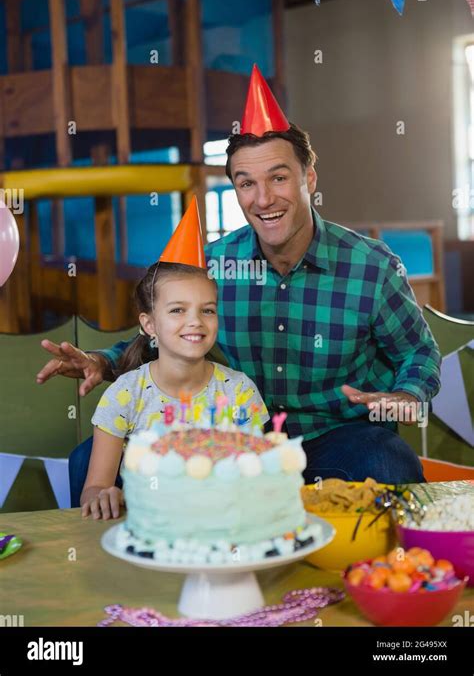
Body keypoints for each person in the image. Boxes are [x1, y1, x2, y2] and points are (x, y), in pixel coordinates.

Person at [38, 65, 441, 487]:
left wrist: (406, 396)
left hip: (338, 437)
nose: (263, 198)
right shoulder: (210, 265)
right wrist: (101, 361)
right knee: (90, 462)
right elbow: (162, 335)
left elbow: (418, 352)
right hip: (229, 440)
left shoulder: (371, 265)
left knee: (388, 460)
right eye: (246, 183)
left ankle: (386, 556)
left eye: (279, 178)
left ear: (309, 178)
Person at [80, 258, 268, 520]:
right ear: (150, 325)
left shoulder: (239, 392)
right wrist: (102, 495)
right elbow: (93, 488)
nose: (196, 321)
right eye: (178, 310)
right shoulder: (125, 394)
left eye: (208, 310)